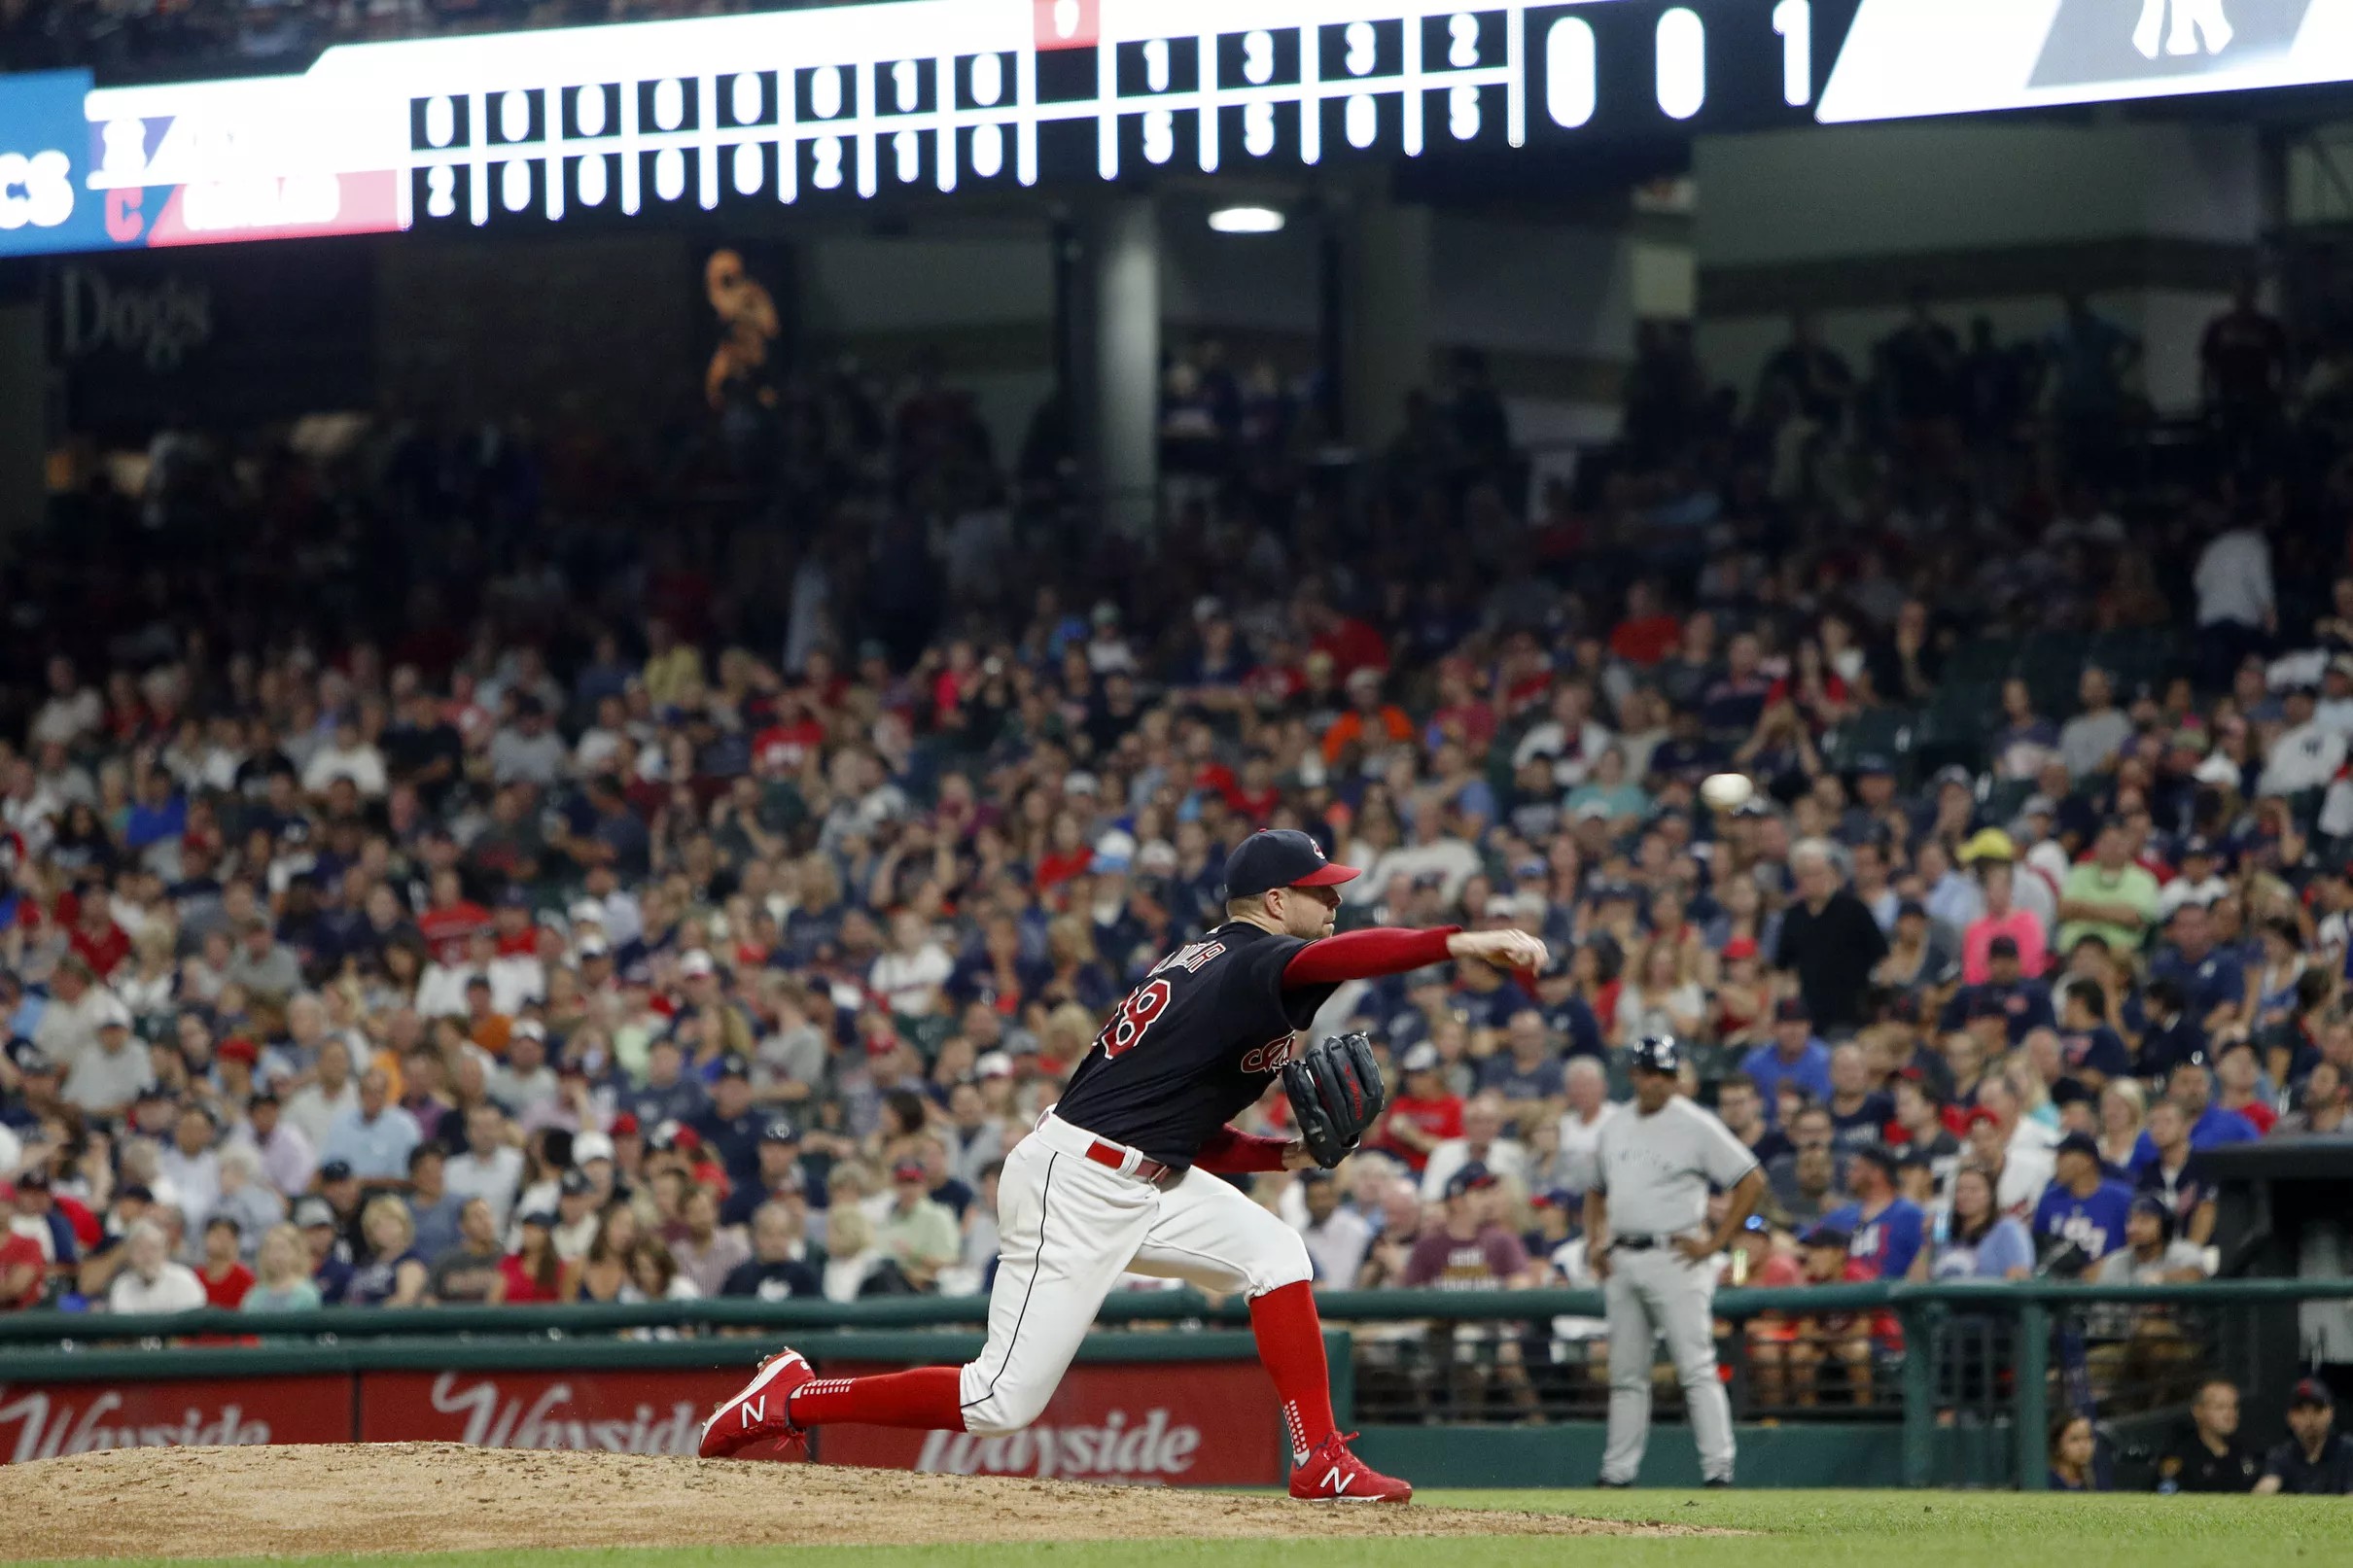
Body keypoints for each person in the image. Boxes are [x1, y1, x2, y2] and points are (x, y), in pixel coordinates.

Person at [698, 828, 1547, 1503]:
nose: (1335, 904)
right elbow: (1342, 958)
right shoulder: (1258, 959)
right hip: (1080, 1182)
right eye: (1324, 893)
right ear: (1276, 900)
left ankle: (1319, 1458)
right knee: (999, 1400)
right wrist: (1461, 941)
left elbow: (1178, 1122)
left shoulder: (1211, 967)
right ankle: (789, 1396)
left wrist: (1279, 1156)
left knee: (1277, 1254)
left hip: (1141, 1170)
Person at [1586, 1036, 1767, 1488]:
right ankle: (1617, 1473)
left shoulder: (1694, 1123)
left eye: (1665, 1074)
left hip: (1676, 1258)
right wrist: (1595, 1239)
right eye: (1649, 1072)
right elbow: (1595, 1189)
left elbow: (1750, 1180)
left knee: (1696, 1368)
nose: (1656, 1082)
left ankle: (1719, 1469)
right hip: (1624, 1256)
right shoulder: (1615, 1124)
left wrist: (1715, 1245)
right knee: (1626, 1374)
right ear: (1634, 1075)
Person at [1820, 1146, 1925, 1282]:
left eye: (1855, 1169)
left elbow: (1924, 1262)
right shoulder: (1840, 1216)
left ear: (1876, 1173)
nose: (1848, 1174)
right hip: (1843, 1298)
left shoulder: (1910, 1215)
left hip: (1890, 1299)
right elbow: (1805, 1242)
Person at [2032, 1132, 2135, 1270]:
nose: (2056, 1162)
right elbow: (2039, 1251)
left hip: (2111, 1285)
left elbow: (2136, 1245)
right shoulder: (2049, 1200)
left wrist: (2107, 1266)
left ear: (2086, 1161)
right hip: (2060, 1285)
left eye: (2063, 1156)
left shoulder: (2122, 1199)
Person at [1929, 1165, 2033, 1279]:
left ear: (1990, 1194)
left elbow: (2019, 1278)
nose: (1965, 1196)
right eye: (1960, 1190)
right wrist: (1925, 1240)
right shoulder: (1942, 1224)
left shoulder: (2008, 1228)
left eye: (1974, 1190)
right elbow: (1922, 1279)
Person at [2158, 1378, 2262, 1493]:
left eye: (2234, 1407)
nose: (2230, 1414)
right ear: (2198, 1411)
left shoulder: (2247, 1451)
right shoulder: (2183, 1458)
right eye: (2220, 1407)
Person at [2256, 1379, 2353, 1494]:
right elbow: (2265, 1489)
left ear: (2330, 1413)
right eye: (2300, 1411)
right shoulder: (2282, 1454)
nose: (2309, 1418)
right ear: (2289, 1416)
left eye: (2317, 1410)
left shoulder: (2347, 1450)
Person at [105, 1221, 206, 1314]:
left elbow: (190, 1326)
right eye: (140, 1250)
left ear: (165, 1251)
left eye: (153, 1248)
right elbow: (124, 1329)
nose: (147, 1256)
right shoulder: (122, 1285)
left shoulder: (184, 1280)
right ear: (129, 1255)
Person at [2049, 1411, 2103, 1491]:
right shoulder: (2047, 1483)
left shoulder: (2095, 1481)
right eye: (2075, 1439)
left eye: (2088, 1438)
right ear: (2057, 1445)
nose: (2083, 1446)